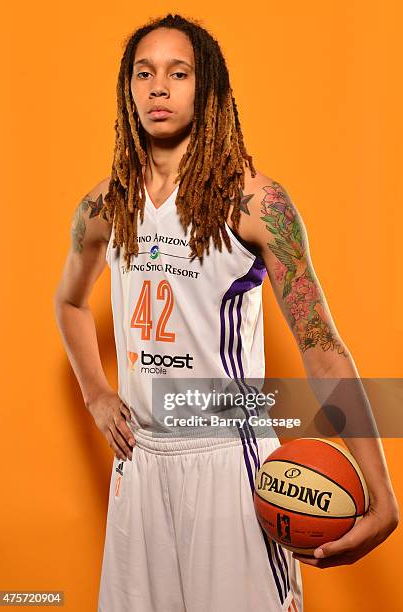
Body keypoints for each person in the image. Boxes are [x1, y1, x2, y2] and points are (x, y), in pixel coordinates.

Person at [54, 13, 399, 612]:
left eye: (178, 73)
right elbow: (69, 302)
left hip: (229, 462)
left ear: (206, 88)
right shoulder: (106, 205)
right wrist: (95, 392)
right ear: (127, 89)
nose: (159, 87)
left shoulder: (256, 203)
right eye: (144, 73)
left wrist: (382, 496)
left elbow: (321, 349)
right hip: (140, 466)